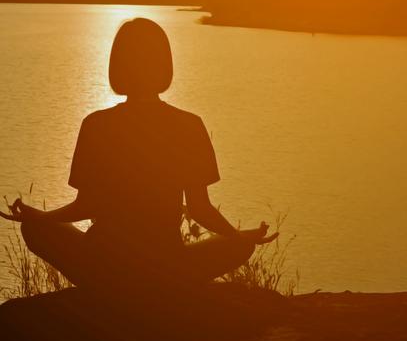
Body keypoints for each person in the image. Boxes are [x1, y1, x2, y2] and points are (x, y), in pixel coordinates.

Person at [0, 17, 277, 293]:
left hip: (103, 263)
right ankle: (164, 286)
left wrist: (41, 218)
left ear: (117, 67)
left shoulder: (97, 124)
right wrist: (237, 237)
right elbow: (199, 209)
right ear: (164, 65)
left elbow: (86, 206)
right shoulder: (189, 124)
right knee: (240, 245)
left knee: (34, 230)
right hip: (166, 265)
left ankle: (107, 287)